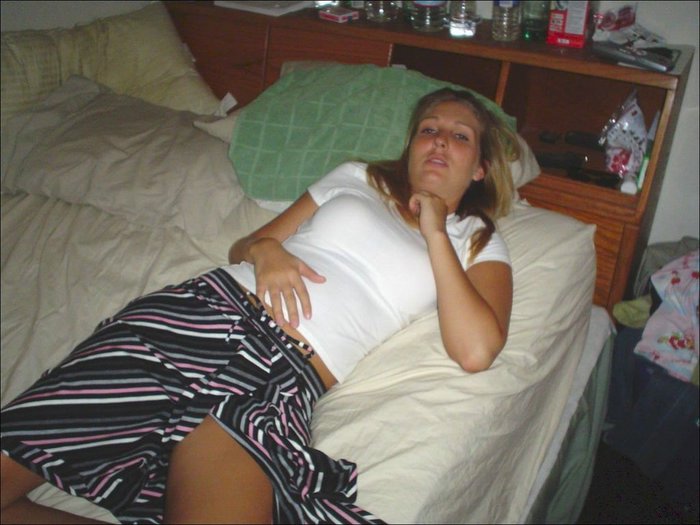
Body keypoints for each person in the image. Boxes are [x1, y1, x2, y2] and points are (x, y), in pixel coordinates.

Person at [0, 87, 518, 524]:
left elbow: (475, 350)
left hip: (275, 384)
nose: (439, 141)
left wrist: (434, 231)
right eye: (429, 129)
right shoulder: (359, 178)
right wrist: (267, 249)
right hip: (195, 321)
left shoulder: (475, 239)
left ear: (480, 167)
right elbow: (245, 245)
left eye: (460, 136)